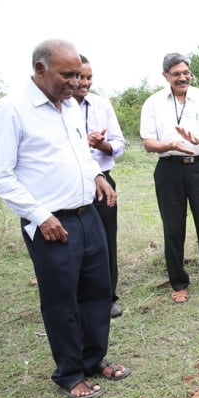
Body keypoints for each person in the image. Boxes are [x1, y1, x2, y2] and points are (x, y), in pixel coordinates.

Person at [0, 39, 131, 398]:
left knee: (97, 292)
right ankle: (69, 372)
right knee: (62, 301)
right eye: (67, 75)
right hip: (52, 225)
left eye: (79, 75)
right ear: (39, 69)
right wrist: (39, 215)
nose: (75, 82)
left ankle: (94, 359)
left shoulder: (68, 107)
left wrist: (96, 177)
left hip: (88, 215)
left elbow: (78, 153)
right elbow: (0, 175)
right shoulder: (12, 110)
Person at [140, 53, 199, 303]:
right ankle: (178, 283)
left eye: (185, 72)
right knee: (173, 227)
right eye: (176, 74)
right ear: (165, 76)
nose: (182, 78)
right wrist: (167, 145)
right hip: (168, 168)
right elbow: (148, 142)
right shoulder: (153, 103)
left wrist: (198, 139)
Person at [73, 55, 126, 318]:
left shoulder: (101, 105)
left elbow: (118, 144)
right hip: (71, 182)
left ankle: (107, 298)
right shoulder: (58, 106)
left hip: (103, 180)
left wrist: (101, 145)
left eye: (88, 77)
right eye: (79, 77)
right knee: (75, 242)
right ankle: (78, 298)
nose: (84, 82)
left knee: (105, 240)